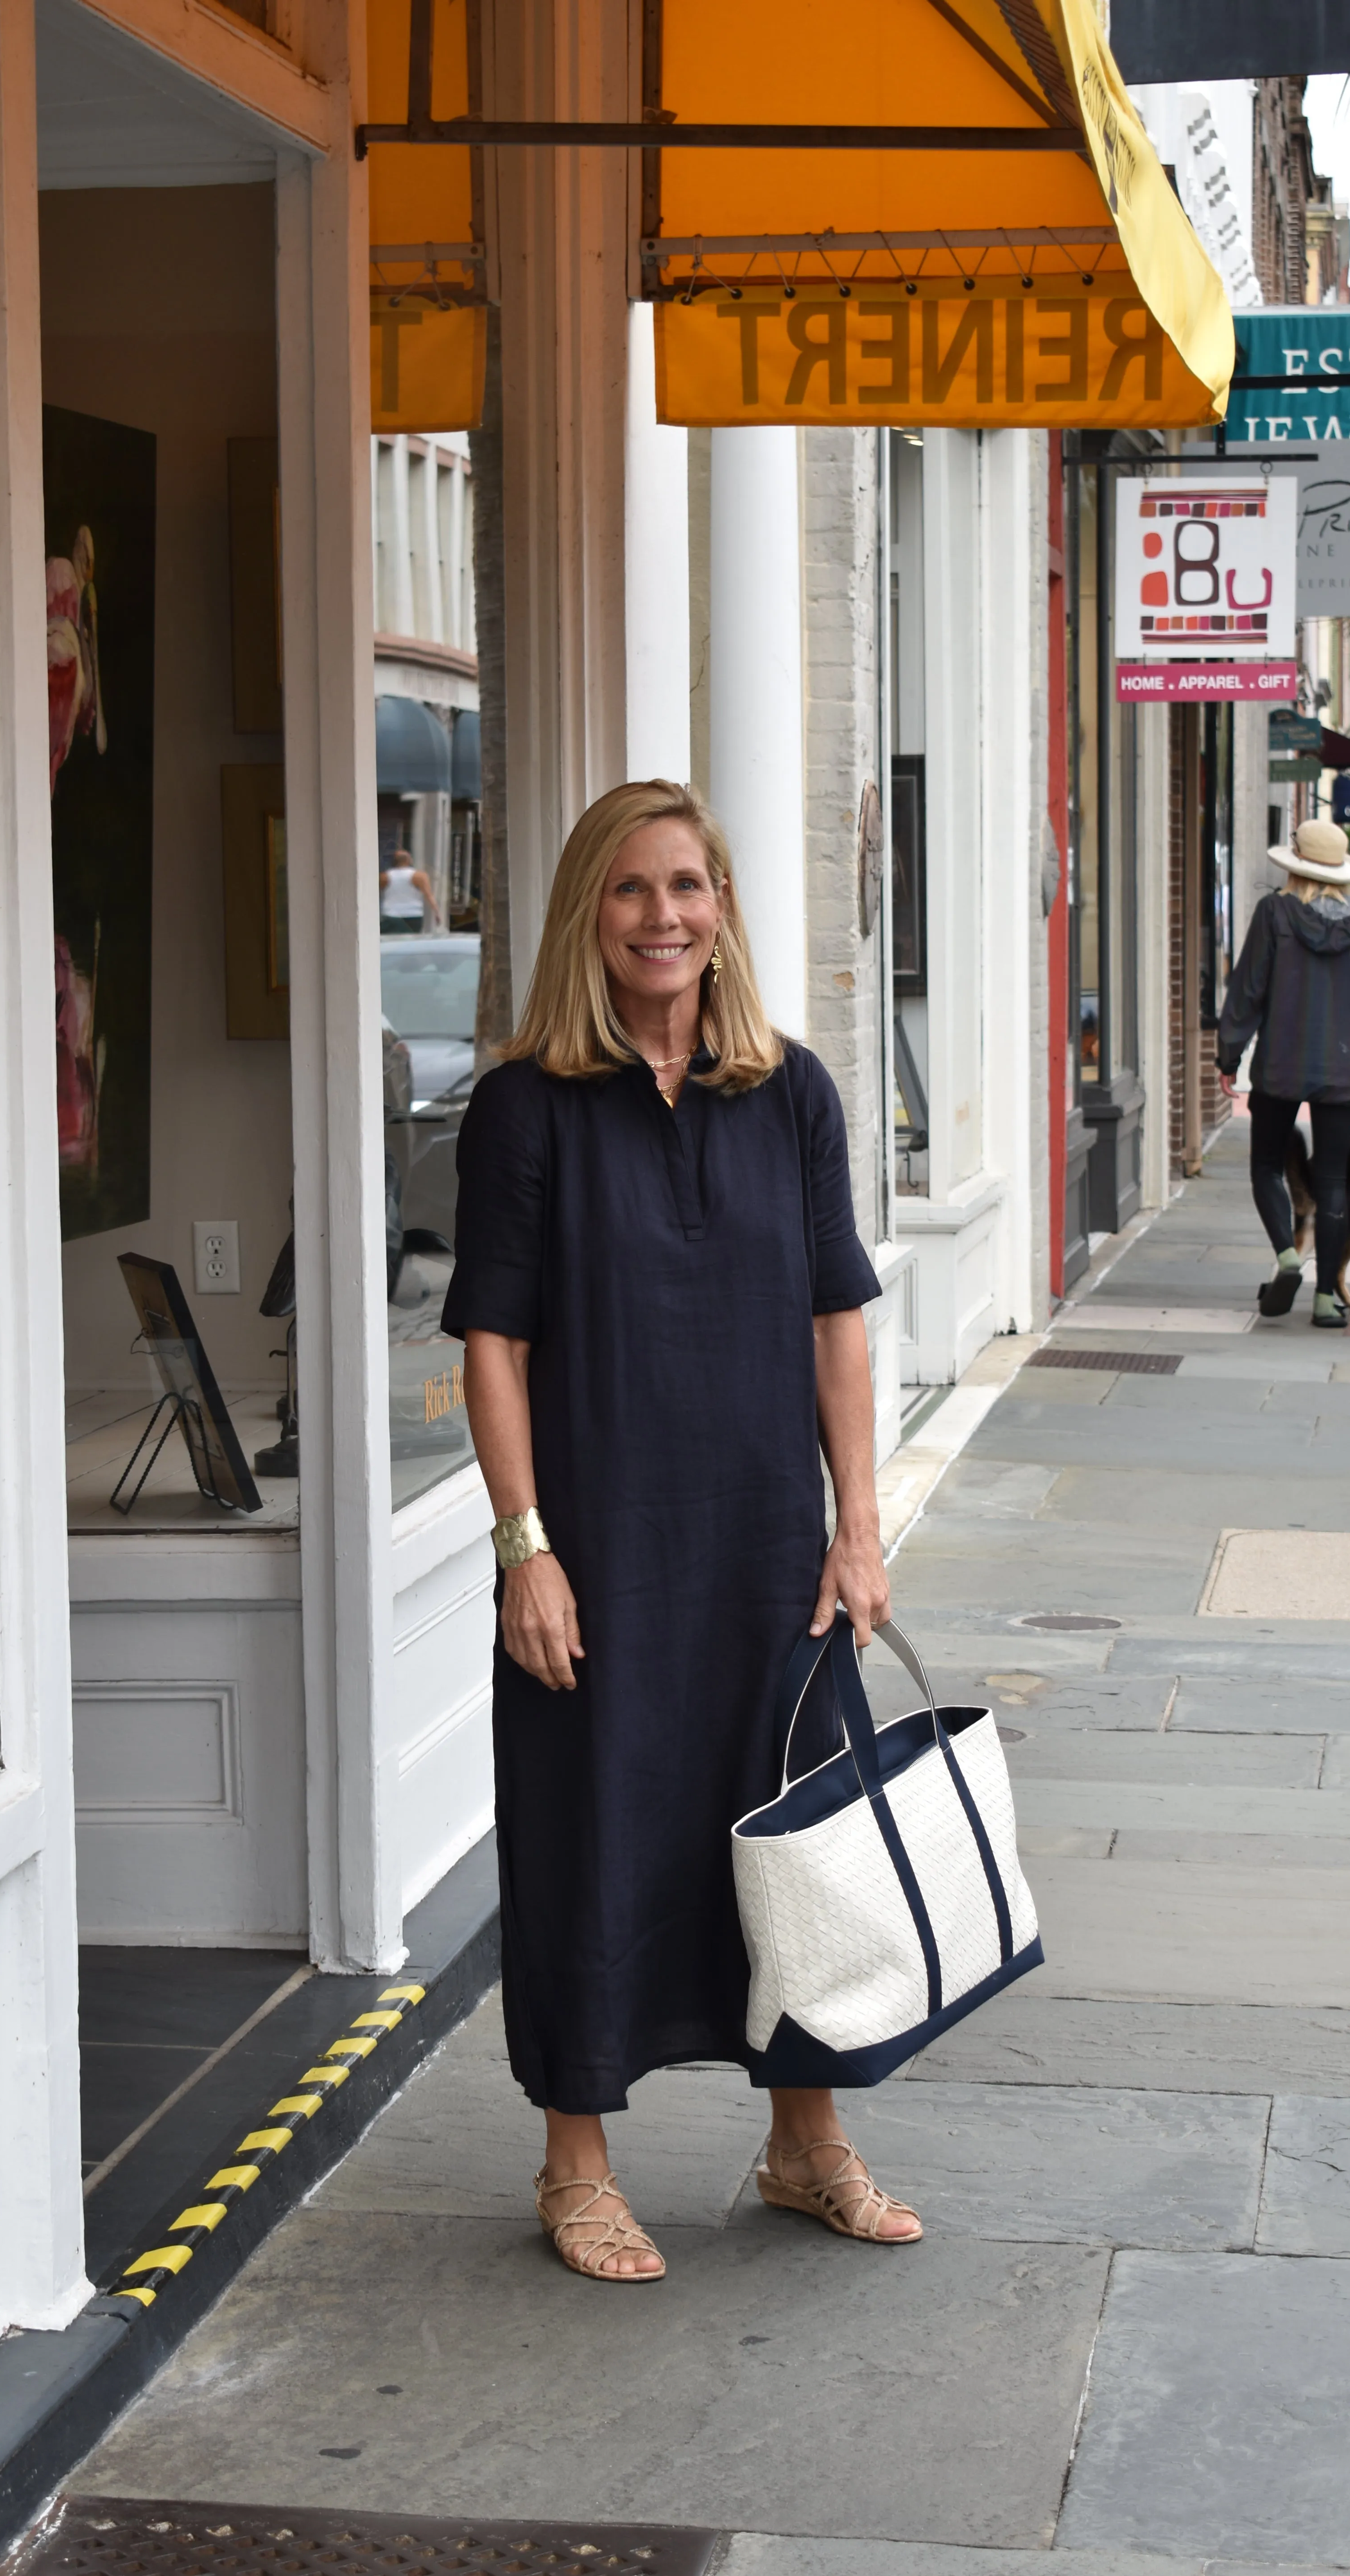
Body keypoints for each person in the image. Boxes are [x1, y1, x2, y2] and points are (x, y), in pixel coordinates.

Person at [444, 778, 920, 2282]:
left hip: (773, 1552)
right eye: (634, 890)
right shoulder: (527, 1108)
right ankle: (574, 2165)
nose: (665, 917)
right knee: (596, 1840)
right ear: (592, 913)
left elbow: (839, 1325)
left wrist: (860, 1529)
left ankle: (806, 2148)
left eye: (690, 887)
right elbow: (494, 1345)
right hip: (601, 1555)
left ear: (723, 911)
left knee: (797, 1847)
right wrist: (526, 1547)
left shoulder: (791, 1094)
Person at [1216, 817, 1350, 1331]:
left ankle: (1287, 1257)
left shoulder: (1274, 912)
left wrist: (1229, 1055)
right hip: (1342, 1067)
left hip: (1280, 1063)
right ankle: (1325, 1300)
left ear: (1295, 866)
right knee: (1333, 1179)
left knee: (1266, 1166)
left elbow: (1248, 989)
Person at [380, 839, 440, 933]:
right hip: (413, 914)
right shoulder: (419, 876)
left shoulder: (385, 877)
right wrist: (437, 913)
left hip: (391, 915)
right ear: (409, 860)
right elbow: (429, 895)